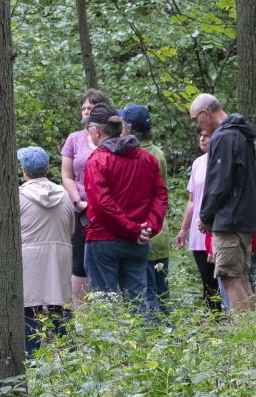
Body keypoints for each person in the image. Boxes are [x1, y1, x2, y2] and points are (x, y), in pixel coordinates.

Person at [82, 105, 167, 312]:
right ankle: (143, 344)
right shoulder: (147, 159)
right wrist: (148, 228)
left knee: (104, 304)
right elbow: (160, 194)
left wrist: (134, 229)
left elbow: (102, 204)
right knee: (138, 302)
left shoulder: (98, 160)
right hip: (137, 240)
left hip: (104, 240)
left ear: (96, 130)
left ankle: (109, 345)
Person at [192, 92, 256, 313]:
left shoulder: (224, 136)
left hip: (230, 218)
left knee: (230, 277)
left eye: (196, 119)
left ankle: (244, 336)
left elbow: (219, 183)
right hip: (244, 216)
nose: (198, 126)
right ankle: (254, 332)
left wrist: (206, 216)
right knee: (241, 276)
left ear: (205, 113)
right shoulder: (240, 133)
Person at [16, 145, 77, 347]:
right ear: (47, 167)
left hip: (29, 261)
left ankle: (32, 361)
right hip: (59, 258)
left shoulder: (18, 196)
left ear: (24, 170)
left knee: (29, 311)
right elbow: (71, 230)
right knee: (61, 309)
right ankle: (71, 358)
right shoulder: (64, 195)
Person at [59, 90, 112, 303]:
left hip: (109, 210)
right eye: (83, 108)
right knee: (79, 262)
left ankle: (112, 313)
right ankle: (81, 320)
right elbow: (66, 175)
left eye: (90, 108)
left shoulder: (114, 139)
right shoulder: (74, 139)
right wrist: (78, 202)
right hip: (81, 209)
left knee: (107, 260)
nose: (86, 112)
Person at [123, 103, 175, 314]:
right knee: (163, 293)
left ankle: (156, 338)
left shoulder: (135, 156)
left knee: (147, 293)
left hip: (143, 233)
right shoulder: (158, 153)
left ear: (127, 127)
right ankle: (170, 333)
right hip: (159, 231)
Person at [182, 123, 219, 309]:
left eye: (207, 135)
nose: (203, 138)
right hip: (198, 229)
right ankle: (212, 318)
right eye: (201, 135)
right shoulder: (198, 163)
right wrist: (183, 229)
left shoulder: (221, 161)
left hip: (215, 227)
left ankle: (223, 318)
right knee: (206, 278)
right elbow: (192, 199)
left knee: (219, 276)